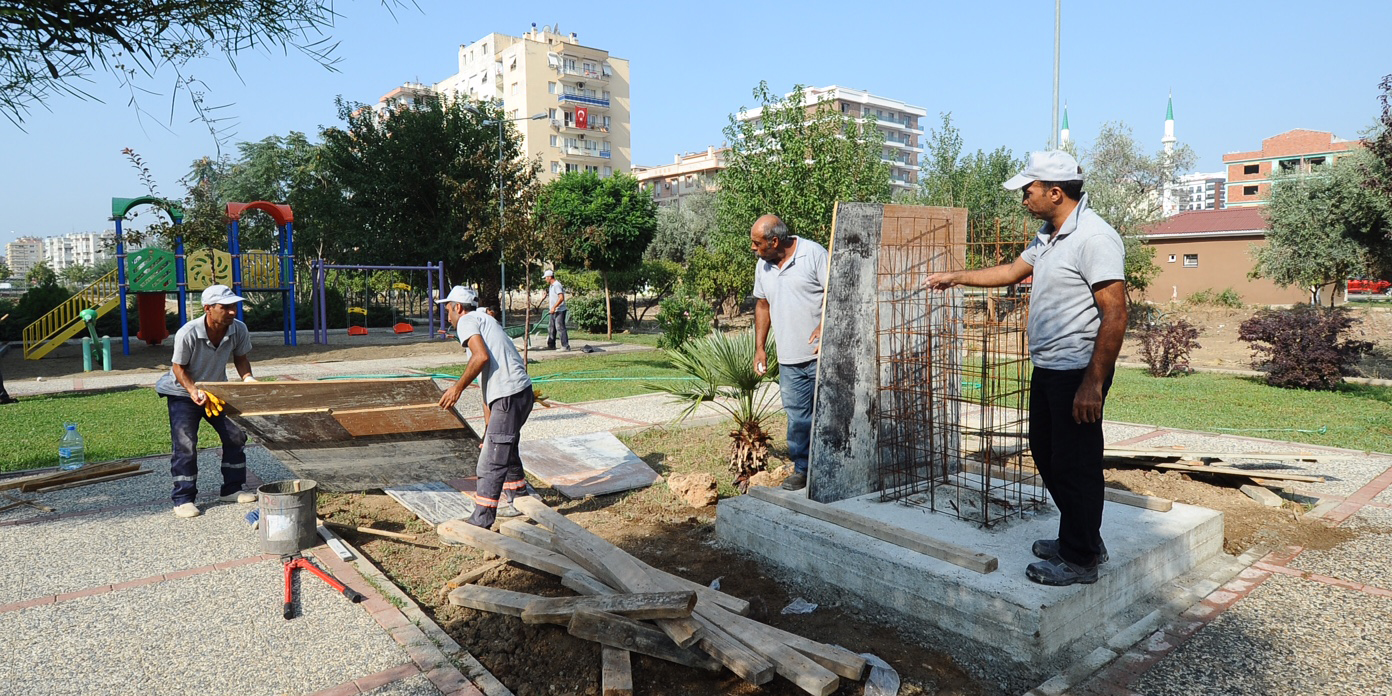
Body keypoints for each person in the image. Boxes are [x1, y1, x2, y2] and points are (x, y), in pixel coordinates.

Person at [924, 150, 1127, 586]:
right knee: (1046, 451)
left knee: (1077, 463)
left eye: (1027, 190)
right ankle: (1083, 537)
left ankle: (1080, 560)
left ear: (1055, 192)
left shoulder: (1094, 237)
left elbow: (1115, 314)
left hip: (1078, 370)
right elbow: (1014, 272)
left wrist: (1092, 383)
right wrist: (956, 277)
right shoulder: (1049, 235)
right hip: (1051, 367)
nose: (1023, 198)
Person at [153, 285, 260, 518]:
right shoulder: (188, 332)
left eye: (234, 306)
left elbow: (241, 358)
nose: (232, 312)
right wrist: (193, 390)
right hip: (182, 392)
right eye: (226, 307)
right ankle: (183, 499)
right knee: (186, 443)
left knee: (236, 434)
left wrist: (248, 379)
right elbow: (178, 368)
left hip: (215, 390)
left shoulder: (238, 329)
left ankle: (232, 489)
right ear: (208, 309)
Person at [436, 286, 537, 529]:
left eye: (448, 309)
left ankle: (481, 519)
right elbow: (486, 384)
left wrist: (456, 388)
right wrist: (488, 428)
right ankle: (521, 498)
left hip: (510, 394)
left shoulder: (467, 320)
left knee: (491, 460)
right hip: (520, 393)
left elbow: (481, 358)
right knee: (504, 445)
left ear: (458, 307)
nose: (447, 316)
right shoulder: (484, 319)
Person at [750, 214, 828, 492]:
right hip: (789, 359)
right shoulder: (763, 266)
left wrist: (823, 325)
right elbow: (762, 305)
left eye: (757, 243)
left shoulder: (814, 254)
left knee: (829, 414)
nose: (753, 249)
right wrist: (760, 348)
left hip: (822, 357)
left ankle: (830, 467)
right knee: (798, 419)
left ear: (774, 241)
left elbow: (837, 293)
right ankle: (803, 470)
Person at [544, 269, 570, 352]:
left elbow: (561, 298)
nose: (545, 279)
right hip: (553, 310)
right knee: (551, 328)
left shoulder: (556, 285)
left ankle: (565, 346)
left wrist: (554, 307)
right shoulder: (551, 286)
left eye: (546, 278)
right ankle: (551, 345)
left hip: (559, 310)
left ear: (549, 277)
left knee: (560, 327)